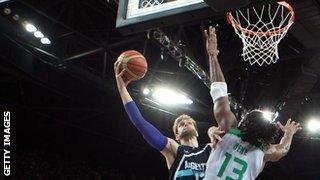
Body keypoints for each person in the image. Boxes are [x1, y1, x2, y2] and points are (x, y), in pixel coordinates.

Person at [203, 26, 302, 180]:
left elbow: (219, 92)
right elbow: (284, 148)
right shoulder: (265, 151)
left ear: (245, 123)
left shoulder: (228, 131)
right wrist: (289, 133)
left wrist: (213, 56)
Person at [114, 59, 224, 179]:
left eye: (189, 123)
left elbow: (232, 131)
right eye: (181, 124)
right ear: (177, 136)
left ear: (197, 132)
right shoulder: (174, 149)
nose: (186, 124)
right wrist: (122, 88)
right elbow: (140, 123)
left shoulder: (209, 148)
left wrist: (212, 129)